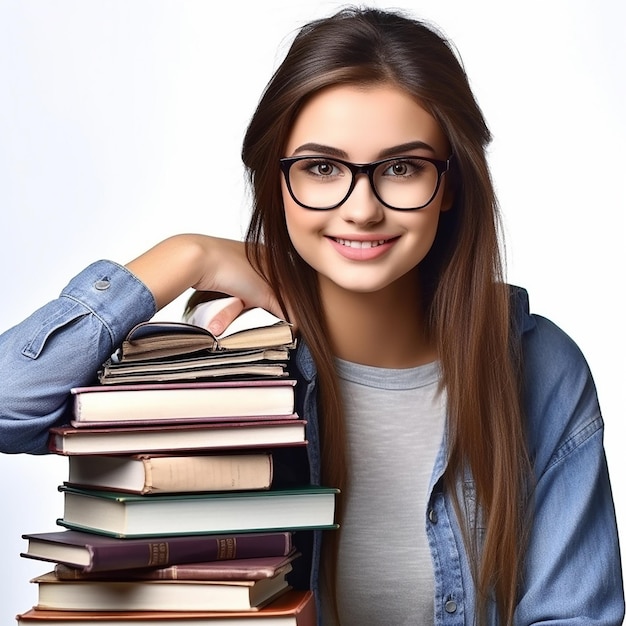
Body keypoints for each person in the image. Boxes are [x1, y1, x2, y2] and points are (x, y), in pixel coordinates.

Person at [0, 6, 623, 625]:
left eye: (401, 168)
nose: (362, 209)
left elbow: (576, 617)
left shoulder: (539, 367)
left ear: (452, 182)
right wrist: (184, 255)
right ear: (277, 182)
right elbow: (9, 407)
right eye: (322, 168)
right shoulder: (221, 367)